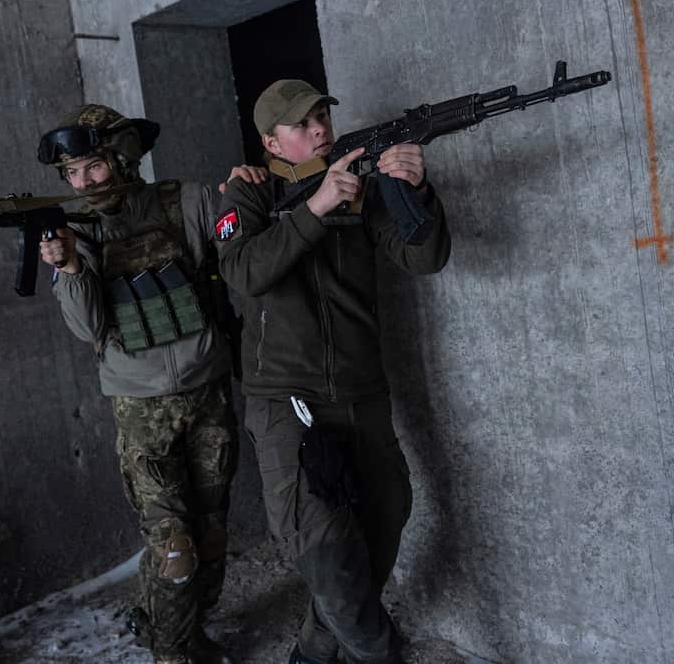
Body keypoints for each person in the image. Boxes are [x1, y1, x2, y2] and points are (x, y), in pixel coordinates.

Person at [215, 80, 451, 664]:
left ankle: (314, 652)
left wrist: (415, 191)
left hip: (362, 392)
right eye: (303, 123)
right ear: (271, 140)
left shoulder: (362, 189)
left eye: (322, 114)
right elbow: (244, 273)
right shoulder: (247, 196)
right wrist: (315, 210)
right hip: (289, 402)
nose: (320, 127)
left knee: (385, 518)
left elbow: (425, 257)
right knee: (325, 548)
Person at [37, 105, 240, 664]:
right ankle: (171, 652)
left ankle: (178, 629)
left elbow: (244, 257)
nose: (83, 183)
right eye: (72, 175)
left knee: (212, 533)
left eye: (93, 168)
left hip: (209, 390)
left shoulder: (187, 200)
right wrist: (70, 268)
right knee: (174, 546)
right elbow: (89, 329)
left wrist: (245, 197)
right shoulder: (77, 231)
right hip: (140, 408)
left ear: (123, 158)